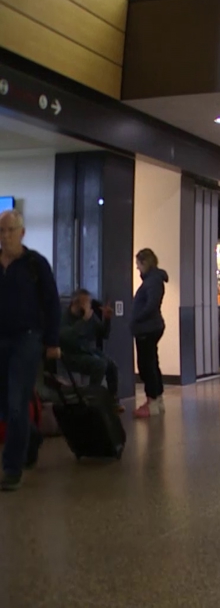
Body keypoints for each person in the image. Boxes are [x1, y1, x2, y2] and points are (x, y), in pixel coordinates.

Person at [0, 209, 61, 491]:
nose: (5, 236)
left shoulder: (36, 264)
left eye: (10, 230)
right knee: (6, 406)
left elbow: (51, 304)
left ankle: (12, 468)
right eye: (2, 231)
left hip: (27, 339)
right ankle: (32, 437)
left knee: (16, 401)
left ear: (22, 232)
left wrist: (53, 342)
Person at [131, 249, 168, 419]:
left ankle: (152, 400)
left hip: (147, 328)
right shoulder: (154, 280)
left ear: (145, 263)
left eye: (138, 265)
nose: (138, 269)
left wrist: (136, 318)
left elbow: (151, 304)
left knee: (146, 365)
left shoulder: (152, 281)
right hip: (150, 327)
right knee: (152, 363)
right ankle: (157, 400)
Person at [60, 289, 119, 397]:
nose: (88, 306)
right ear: (76, 303)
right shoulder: (64, 318)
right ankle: (92, 398)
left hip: (88, 351)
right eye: (86, 303)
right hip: (72, 355)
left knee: (112, 366)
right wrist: (83, 321)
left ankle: (112, 400)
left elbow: (104, 334)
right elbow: (67, 338)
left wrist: (107, 319)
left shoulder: (90, 317)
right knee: (99, 365)